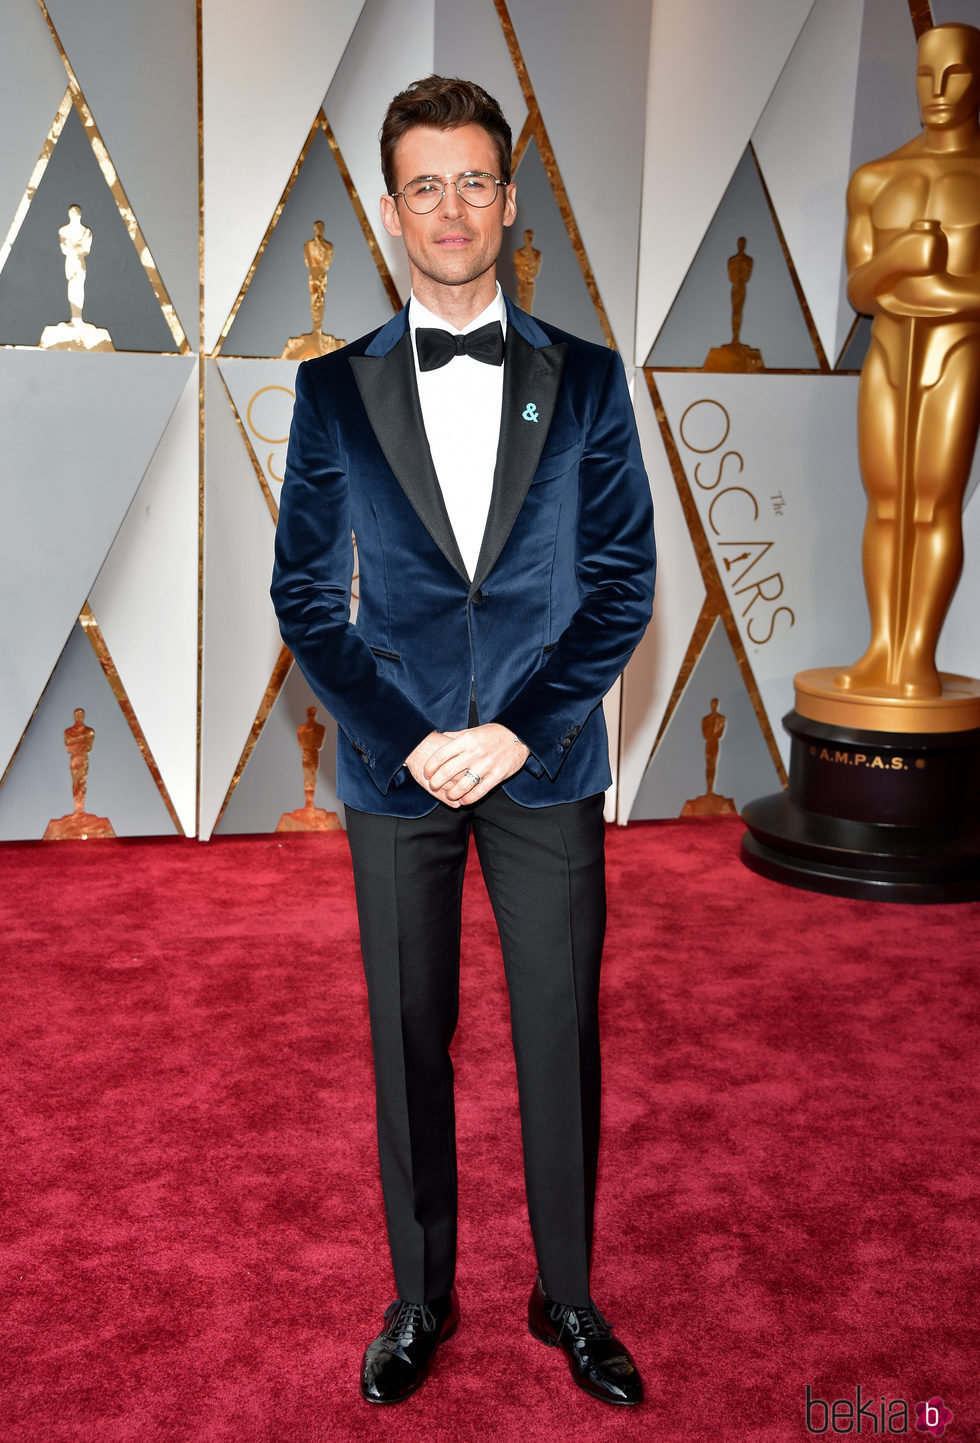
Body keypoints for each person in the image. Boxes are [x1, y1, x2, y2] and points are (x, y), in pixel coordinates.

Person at [271, 75, 655, 1408]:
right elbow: (308, 598)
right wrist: (412, 735)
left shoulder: (592, 382)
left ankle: (570, 1292)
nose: (450, 206)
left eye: (473, 180)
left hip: (543, 759)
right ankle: (421, 1291)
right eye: (423, 183)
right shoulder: (332, 393)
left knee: (558, 1029)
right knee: (406, 1034)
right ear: (390, 209)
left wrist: (518, 728)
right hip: (395, 766)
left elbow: (621, 582)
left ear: (508, 199)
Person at [837, 21, 980, 699]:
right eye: (927, 75)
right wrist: (900, 259)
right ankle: (883, 647)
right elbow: (861, 289)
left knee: (934, 503)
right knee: (887, 503)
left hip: (956, 352)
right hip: (891, 351)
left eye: (955, 74)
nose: (939, 90)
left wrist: (932, 287)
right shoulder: (877, 178)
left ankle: (917, 651)